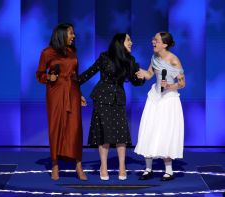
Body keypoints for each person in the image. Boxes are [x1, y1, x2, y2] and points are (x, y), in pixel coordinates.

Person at [78, 33, 145, 180]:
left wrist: (142, 77)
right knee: (104, 134)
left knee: (121, 134)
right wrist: (74, 86)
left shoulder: (130, 60)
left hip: (118, 99)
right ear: (120, 42)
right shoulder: (104, 57)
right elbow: (88, 74)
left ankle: (122, 166)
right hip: (102, 97)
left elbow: (135, 81)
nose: (131, 42)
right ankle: (104, 166)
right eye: (128, 40)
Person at [36, 23, 87, 181]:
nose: (74, 36)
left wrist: (79, 94)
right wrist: (48, 78)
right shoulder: (47, 52)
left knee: (75, 128)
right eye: (71, 33)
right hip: (56, 93)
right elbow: (39, 74)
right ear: (61, 34)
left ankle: (78, 166)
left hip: (72, 92)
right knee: (56, 127)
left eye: (73, 33)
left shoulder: (72, 52)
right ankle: (55, 165)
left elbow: (75, 76)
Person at [134, 32, 185, 181]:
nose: (153, 42)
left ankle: (168, 171)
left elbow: (182, 83)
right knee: (149, 129)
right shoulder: (154, 57)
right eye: (153, 39)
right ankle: (148, 169)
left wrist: (169, 85)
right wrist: (135, 71)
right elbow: (149, 74)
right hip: (154, 98)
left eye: (156, 40)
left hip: (168, 100)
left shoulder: (174, 60)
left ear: (165, 44)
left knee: (166, 132)